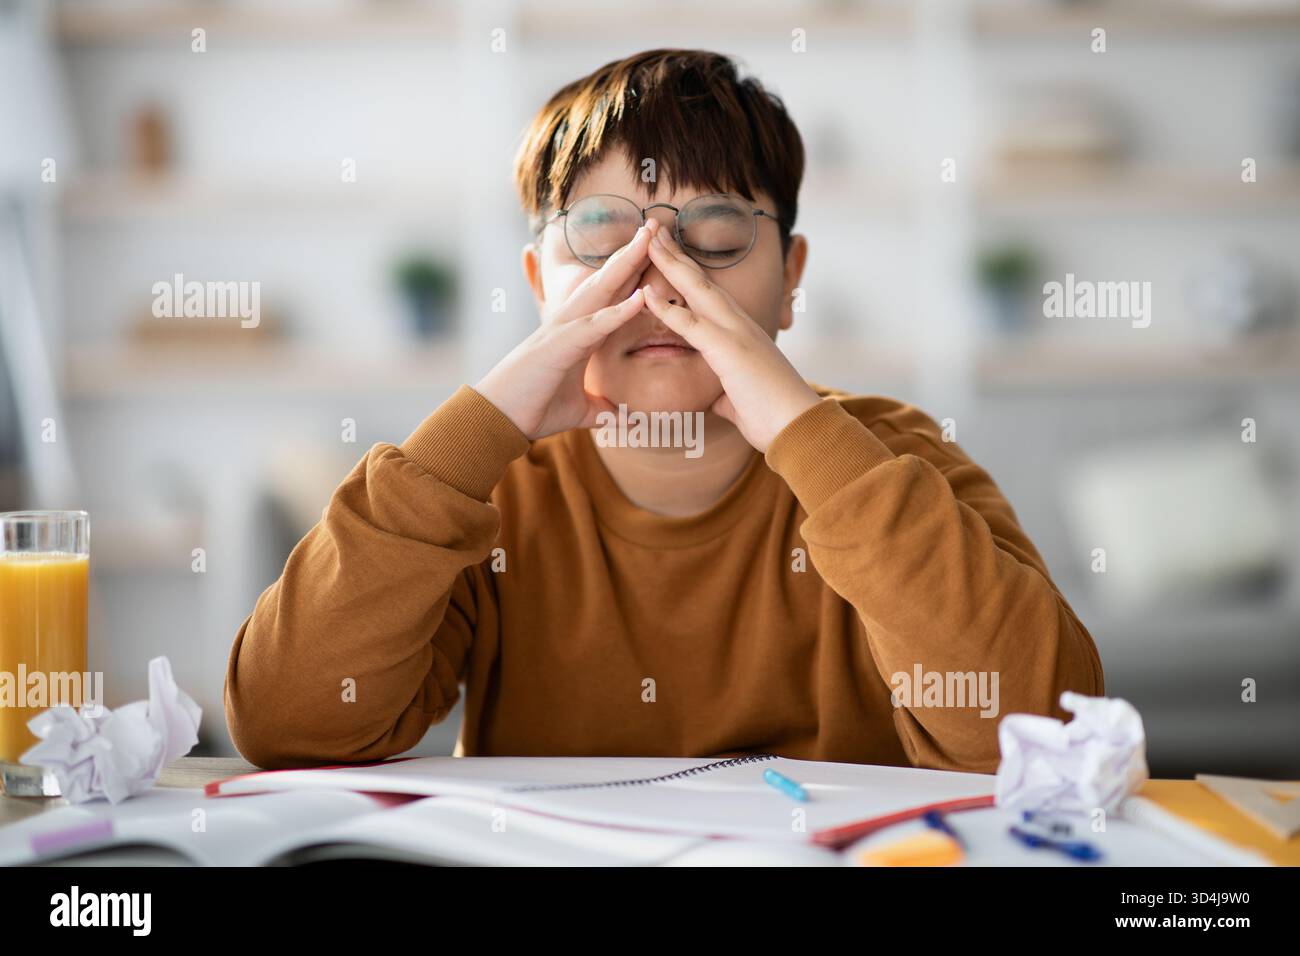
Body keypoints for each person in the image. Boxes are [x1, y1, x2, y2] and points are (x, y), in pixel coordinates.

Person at [224, 49, 1103, 772]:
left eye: (714, 243)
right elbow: (286, 723)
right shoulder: (485, 493)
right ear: (539, 285)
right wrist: (481, 424)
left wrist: (808, 441)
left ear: (791, 279)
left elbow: (1049, 740)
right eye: (603, 244)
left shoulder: (891, 459)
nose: (657, 284)